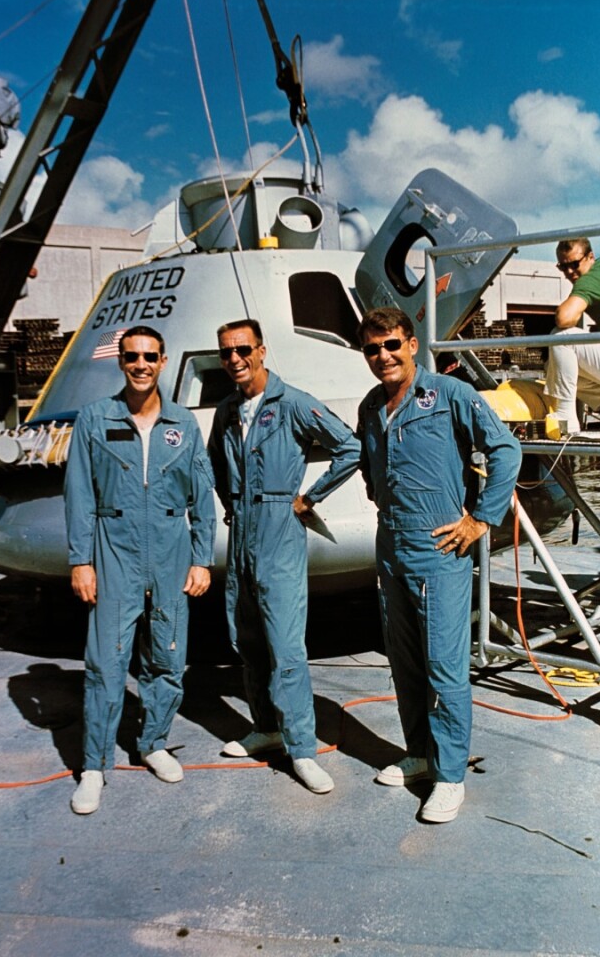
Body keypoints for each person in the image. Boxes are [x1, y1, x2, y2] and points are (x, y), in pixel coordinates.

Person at [357, 308, 522, 823]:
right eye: (372, 349)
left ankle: (450, 776)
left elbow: (506, 449)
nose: (383, 356)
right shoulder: (370, 406)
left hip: (440, 548)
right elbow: (370, 465)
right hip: (392, 546)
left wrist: (479, 520)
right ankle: (420, 756)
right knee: (404, 661)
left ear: (411, 344)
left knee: (445, 667)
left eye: (391, 345)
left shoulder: (449, 395)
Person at [65, 326, 216, 814]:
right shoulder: (95, 418)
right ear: (121, 361)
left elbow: (202, 496)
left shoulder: (183, 425)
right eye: (132, 357)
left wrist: (201, 558)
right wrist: (81, 562)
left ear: (163, 360)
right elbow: (80, 497)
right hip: (114, 550)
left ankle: (153, 743)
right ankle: (94, 765)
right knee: (106, 662)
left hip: (171, 553)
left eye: (150, 356)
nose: (141, 365)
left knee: (168, 658)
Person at [207, 318, 361, 794]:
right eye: (227, 352)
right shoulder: (227, 410)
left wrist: (309, 498)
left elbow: (349, 447)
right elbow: (216, 459)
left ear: (261, 350)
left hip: (280, 529)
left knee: (286, 647)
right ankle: (266, 728)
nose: (235, 359)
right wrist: (232, 503)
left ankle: (302, 749)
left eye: (243, 349)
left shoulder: (291, 402)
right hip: (242, 532)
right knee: (247, 637)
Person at [544, 238, 600, 433]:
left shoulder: (590, 279)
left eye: (574, 264)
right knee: (555, 367)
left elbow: (564, 318)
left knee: (561, 338)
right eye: (562, 267)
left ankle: (565, 416)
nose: (569, 272)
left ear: (590, 257)